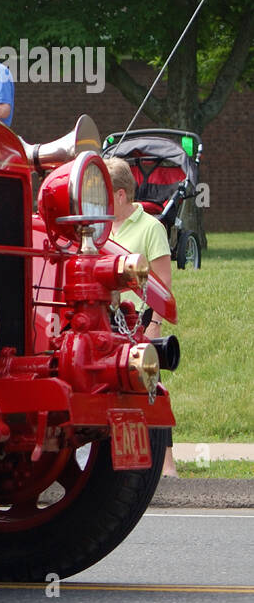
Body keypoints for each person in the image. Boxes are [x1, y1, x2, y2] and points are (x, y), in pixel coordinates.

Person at [106, 156, 178, 476]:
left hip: (137, 322)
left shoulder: (151, 228)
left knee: (150, 385)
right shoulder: (98, 227)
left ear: (121, 195)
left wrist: (154, 325)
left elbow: (162, 285)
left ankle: (166, 463)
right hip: (104, 318)